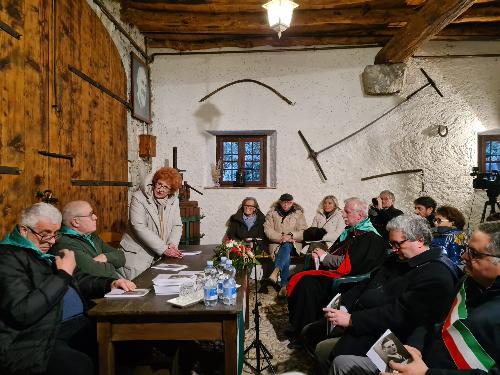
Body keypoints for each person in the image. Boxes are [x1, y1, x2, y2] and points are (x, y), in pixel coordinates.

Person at [332, 221, 500, 375]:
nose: (463, 257)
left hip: (432, 371)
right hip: (419, 360)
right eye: (466, 249)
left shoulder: (439, 274)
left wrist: (426, 373)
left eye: (474, 253)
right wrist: (415, 347)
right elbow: (432, 320)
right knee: (341, 362)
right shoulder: (468, 282)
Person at [0, 203, 136, 375]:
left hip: (78, 322)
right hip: (39, 336)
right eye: (44, 234)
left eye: (55, 234)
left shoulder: (45, 252)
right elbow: (22, 312)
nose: (51, 241)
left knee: (128, 342)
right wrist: (63, 275)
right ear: (24, 230)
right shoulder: (8, 259)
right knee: (78, 365)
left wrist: (110, 283)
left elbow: (81, 279)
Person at [314, 214, 459, 375]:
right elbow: (367, 283)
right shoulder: (397, 259)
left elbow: (400, 315)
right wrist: (345, 305)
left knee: (334, 357)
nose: (394, 249)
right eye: (392, 244)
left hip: (388, 337)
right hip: (367, 323)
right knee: (314, 334)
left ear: (419, 240)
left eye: (398, 244)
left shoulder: (436, 274)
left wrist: (352, 320)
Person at [286, 198, 388, 346]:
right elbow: (335, 253)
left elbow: (351, 265)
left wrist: (324, 257)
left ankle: (308, 335)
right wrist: (320, 255)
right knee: (299, 278)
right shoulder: (351, 232)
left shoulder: (369, 237)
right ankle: (298, 328)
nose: (342, 214)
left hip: (350, 281)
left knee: (307, 284)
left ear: (359, 215)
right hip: (337, 272)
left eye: (346, 211)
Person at [121, 167, 184, 279]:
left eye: (166, 187)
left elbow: (177, 225)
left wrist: (172, 245)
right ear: (155, 182)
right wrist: (164, 249)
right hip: (138, 255)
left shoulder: (174, 201)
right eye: (159, 184)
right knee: (137, 289)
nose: (161, 189)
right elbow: (139, 226)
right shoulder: (139, 197)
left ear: (171, 191)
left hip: (160, 256)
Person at [51, 200, 125, 278]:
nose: (95, 217)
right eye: (90, 214)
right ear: (76, 222)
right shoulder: (65, 243)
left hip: (112, 286)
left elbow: (121, 256)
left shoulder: (92, 236)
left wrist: (105, 257)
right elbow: (97, 272)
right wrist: (111, 265)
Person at [264, 193, 307, 297]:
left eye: (288, 202)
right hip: (276, 244)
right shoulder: (272, 213)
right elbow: (268, 230)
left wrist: (291, 235)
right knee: (286, 254)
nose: (286, 205)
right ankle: (284, 287)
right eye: (284, 202)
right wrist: (282, 237)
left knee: (287, 246)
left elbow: (303, 231)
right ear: (280, 202)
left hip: (294, 244)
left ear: (292, 203)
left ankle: (276, 271)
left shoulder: (299, 214)